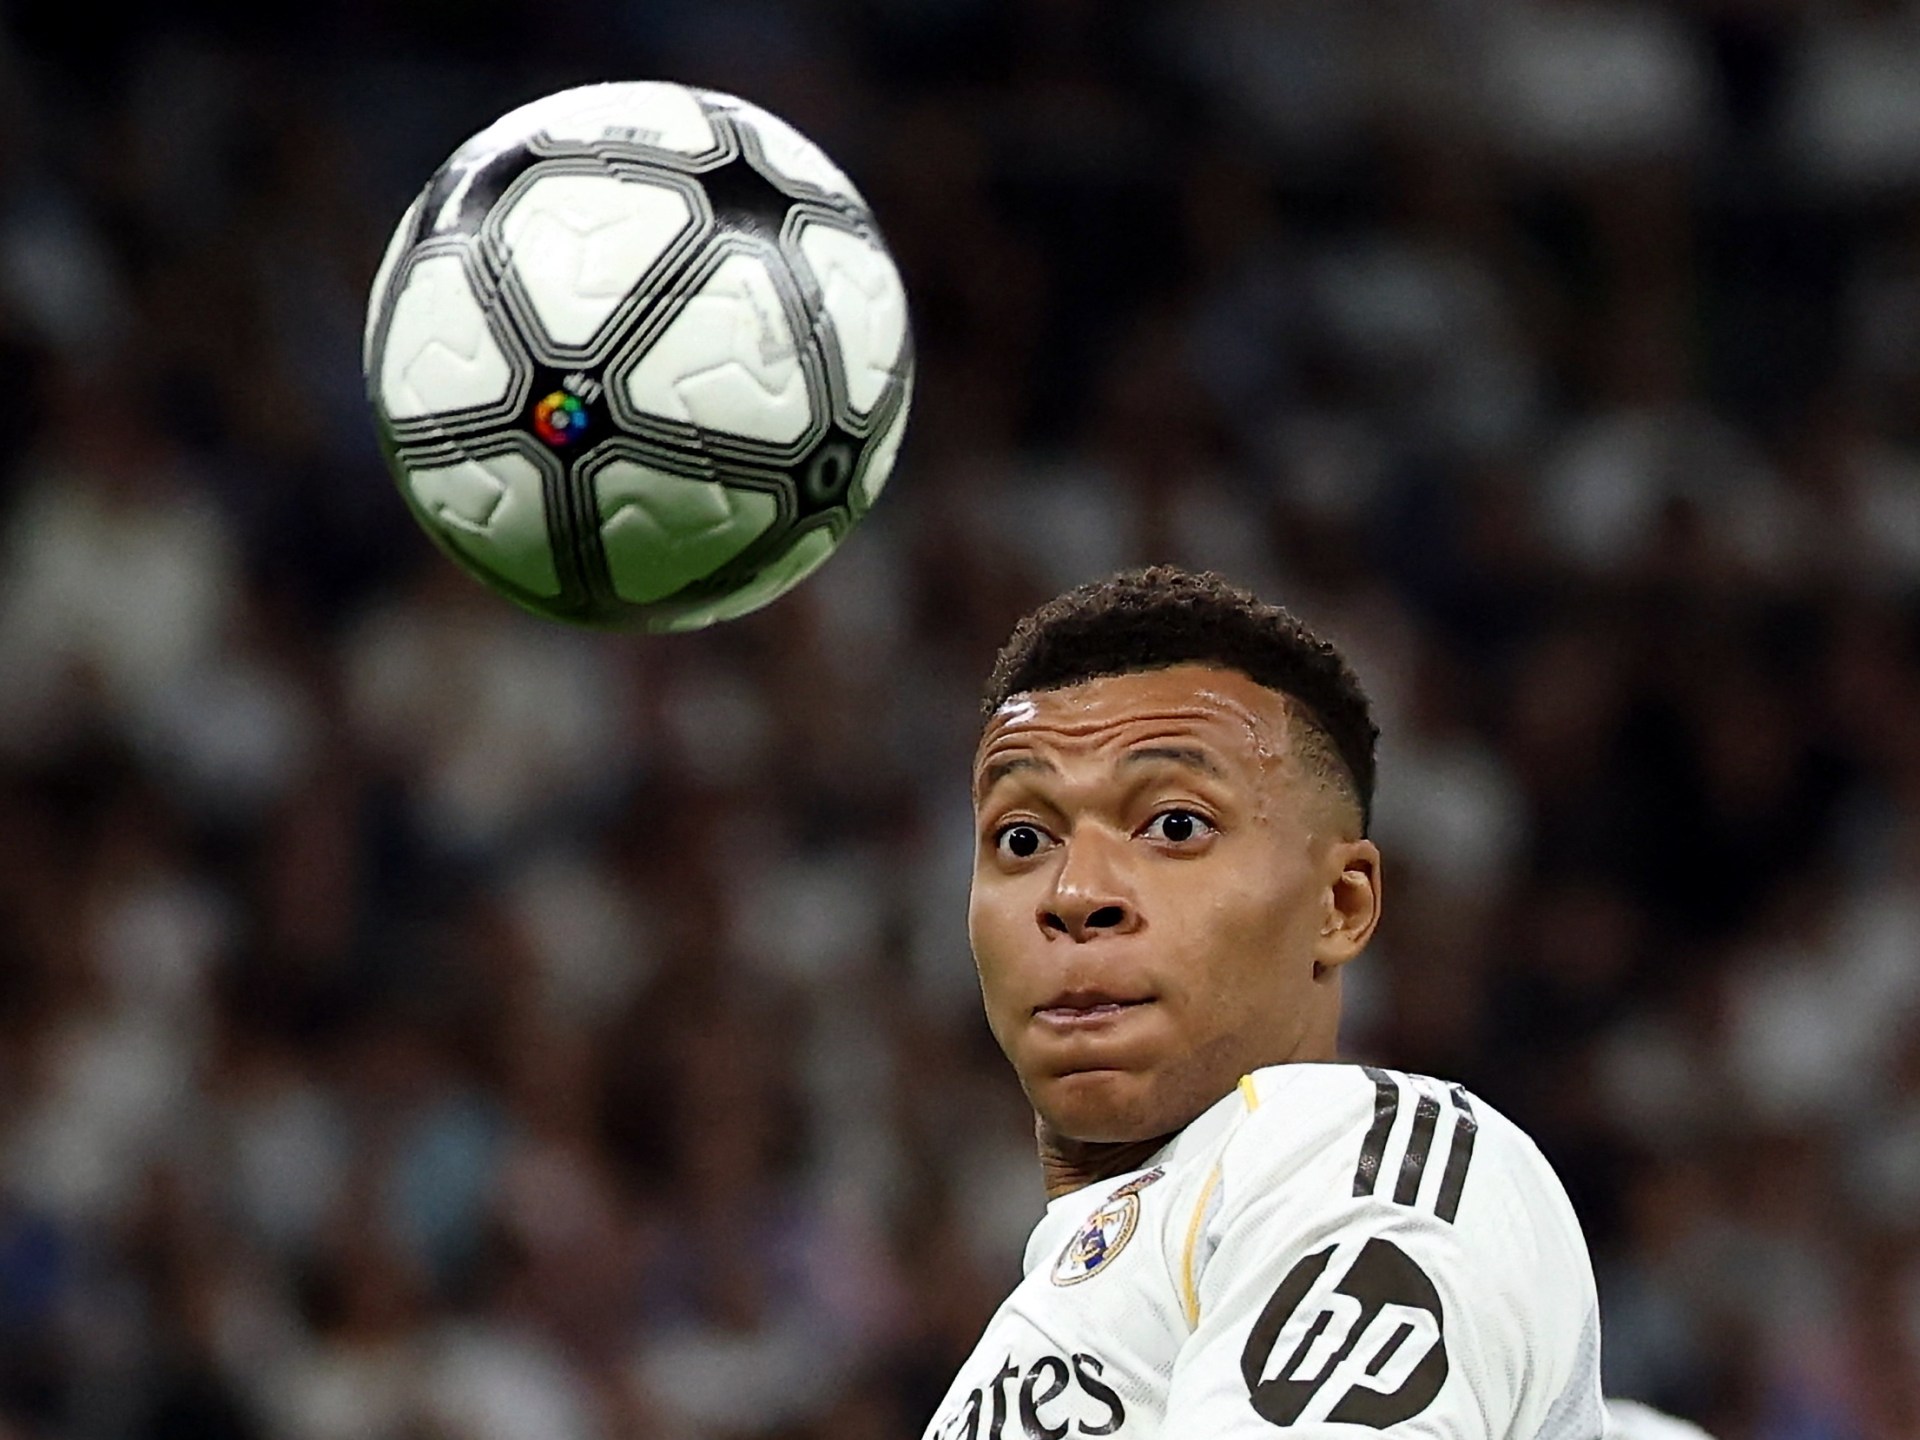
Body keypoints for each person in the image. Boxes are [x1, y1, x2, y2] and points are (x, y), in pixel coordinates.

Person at [922, 566, 1604, 1439]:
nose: (1077, 893)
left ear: (1340, 905)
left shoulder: (1356, 1156)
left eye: (1175, 825)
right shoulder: (1047, 1314)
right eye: (1022, 839)